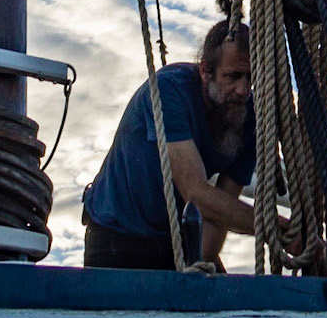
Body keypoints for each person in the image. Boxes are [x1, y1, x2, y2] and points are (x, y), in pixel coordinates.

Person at [81, 18, 257, 270]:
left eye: (250, 77)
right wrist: (277, 228)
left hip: (175, 240)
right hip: (117, 235)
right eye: (233, 76)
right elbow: (196, 193)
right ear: (205, 71)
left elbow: (219, 214)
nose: (243, 89)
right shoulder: (169, 89)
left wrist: (197, 268)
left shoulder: (248, 117)